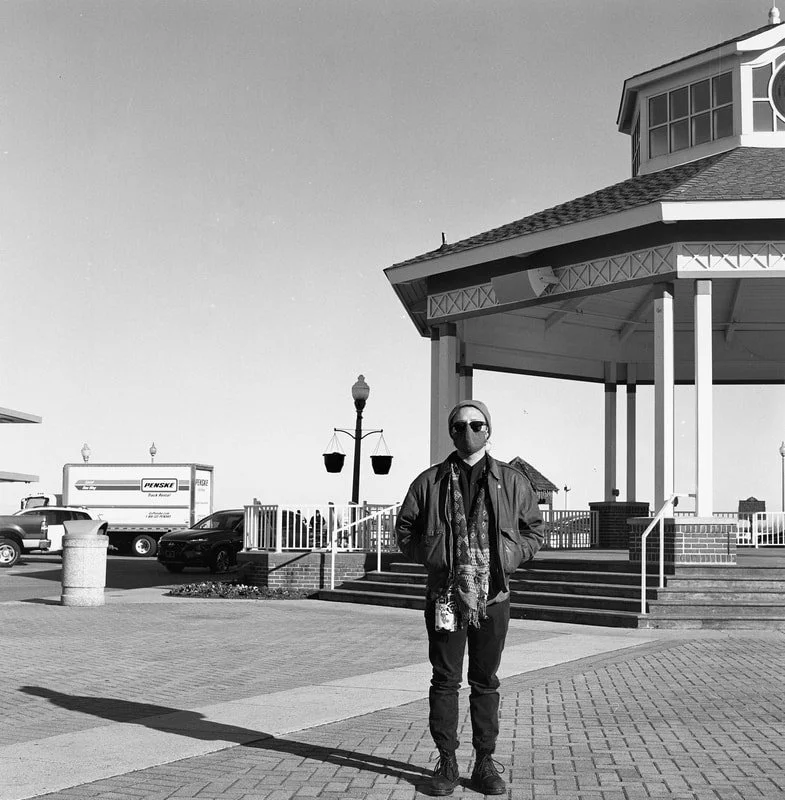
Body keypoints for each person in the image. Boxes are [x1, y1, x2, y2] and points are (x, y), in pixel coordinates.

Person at [396, 400, 544, 796]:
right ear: (451, 433)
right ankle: (446, 761)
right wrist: (433, 555)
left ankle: (484, 763)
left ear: (488, 430)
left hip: (493, 596)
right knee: (445, 681)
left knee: (485, 681)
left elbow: (535, 530)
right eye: (459, 426)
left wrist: (511, 556)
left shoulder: (511, 481)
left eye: (476, 424)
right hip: (445, 596)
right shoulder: (429, 481)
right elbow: (404, 530)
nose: (467, 431)